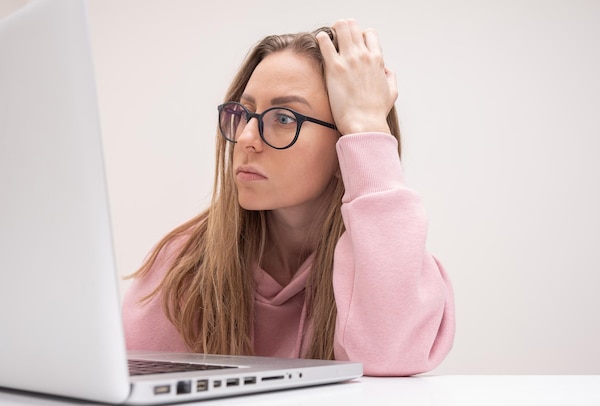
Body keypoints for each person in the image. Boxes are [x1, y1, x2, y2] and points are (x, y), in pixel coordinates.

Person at [122, 18, 455, 376]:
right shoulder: (185, 266)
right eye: (244, 113)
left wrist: (369, 128)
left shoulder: (396, 266)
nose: (247, 137)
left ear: (346, 144)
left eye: (283, 117)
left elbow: (391, 357)